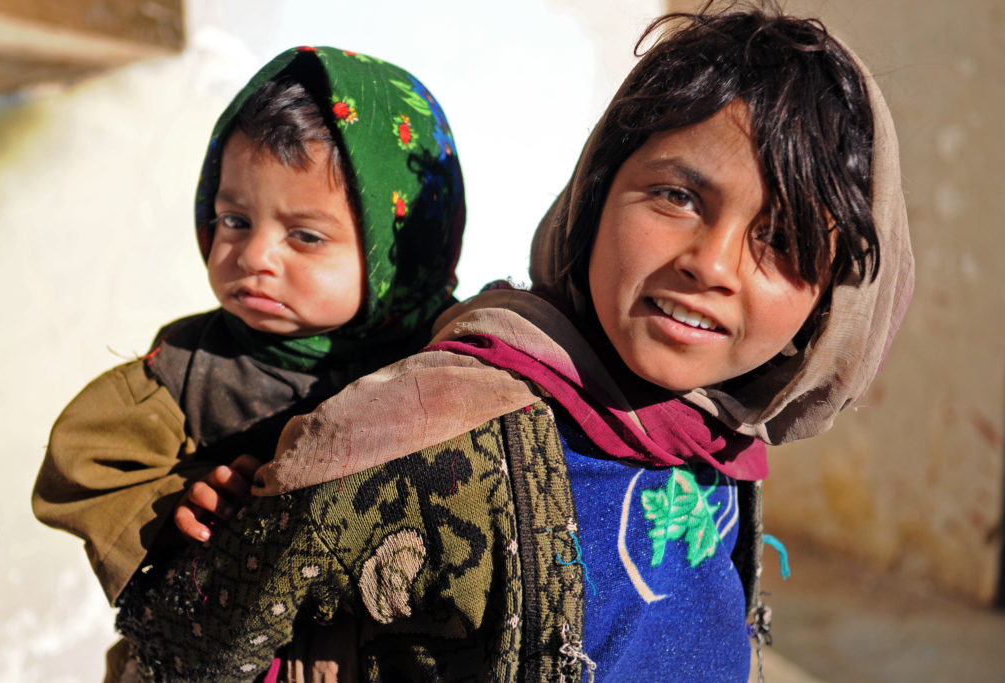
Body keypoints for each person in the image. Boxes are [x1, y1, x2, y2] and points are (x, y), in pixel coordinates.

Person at [115, 5, 914, 682]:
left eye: (780, 237)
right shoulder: (425, 433)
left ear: (830, 304)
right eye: (675, 196)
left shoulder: (719, 436)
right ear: (597, 194)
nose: (709, 264)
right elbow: (179, 652)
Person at [32, 46, 465, 679]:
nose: (253, 254)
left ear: (401, 245)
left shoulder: (450, 362)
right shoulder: (191, 366)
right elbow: (85, 460)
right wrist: (175, 502)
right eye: (234, 219)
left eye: (305, 236)